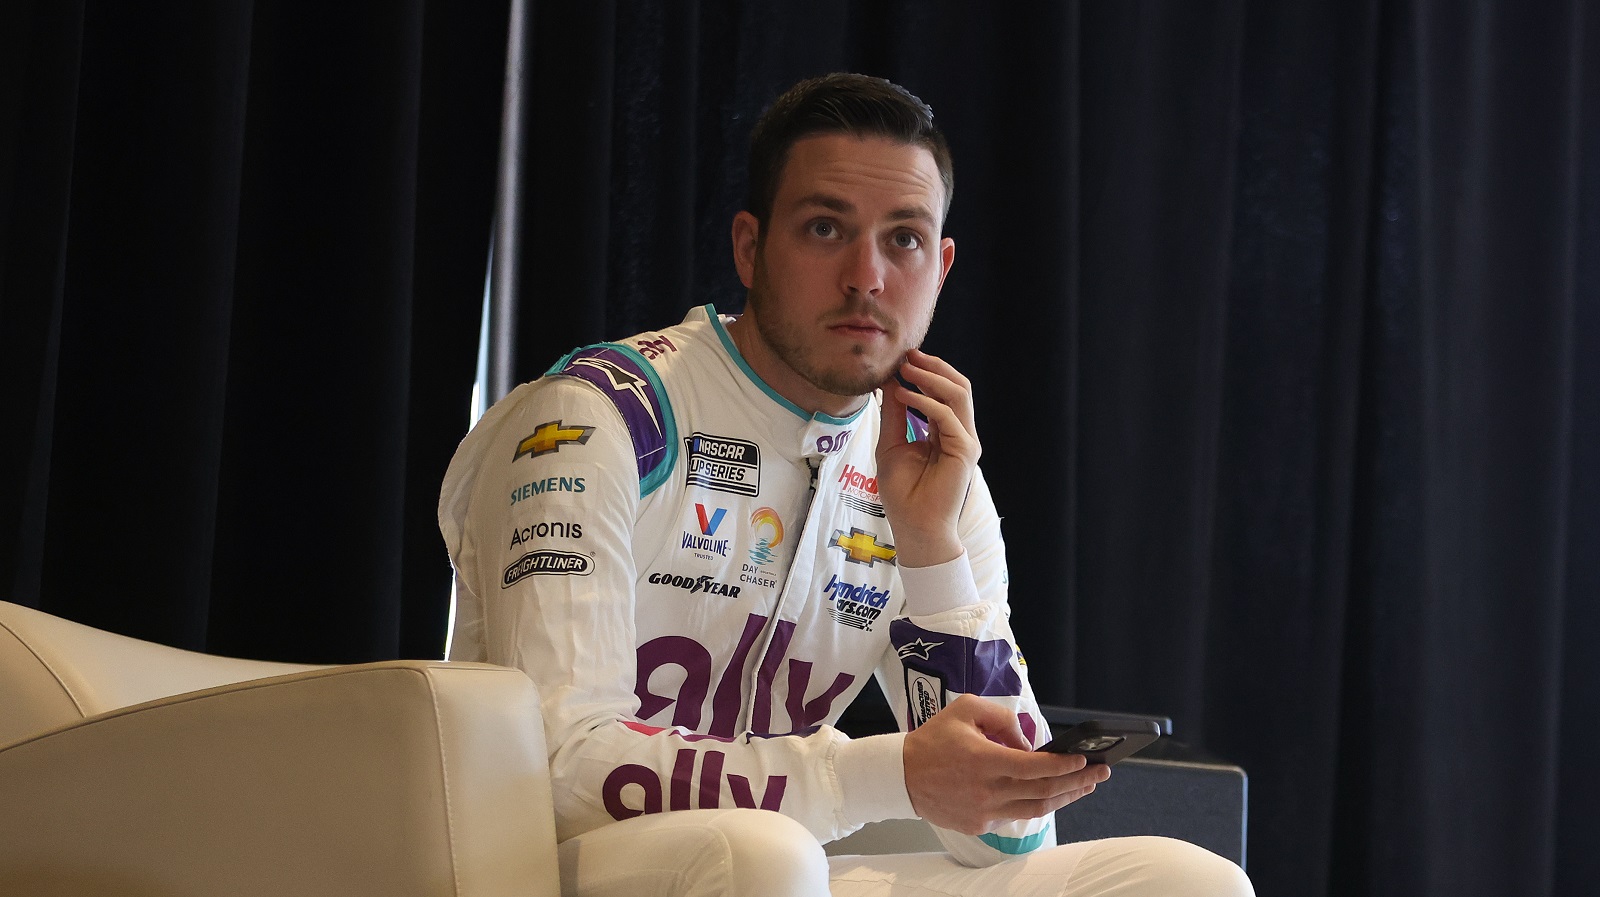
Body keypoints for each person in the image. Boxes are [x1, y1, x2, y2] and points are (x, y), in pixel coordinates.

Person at [439, 73, 1253, 897]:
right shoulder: (597, 419)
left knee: (1185, 880)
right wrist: (880, 775)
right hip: (554, 869)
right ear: (750, 248)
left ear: (940, 266)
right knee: (765, 855)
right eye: (826, 228)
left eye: (902, 239)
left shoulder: (933, 469)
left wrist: (931, 549)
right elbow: (557, 766)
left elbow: (1007, 845)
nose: (866, 275)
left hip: (785, 871)